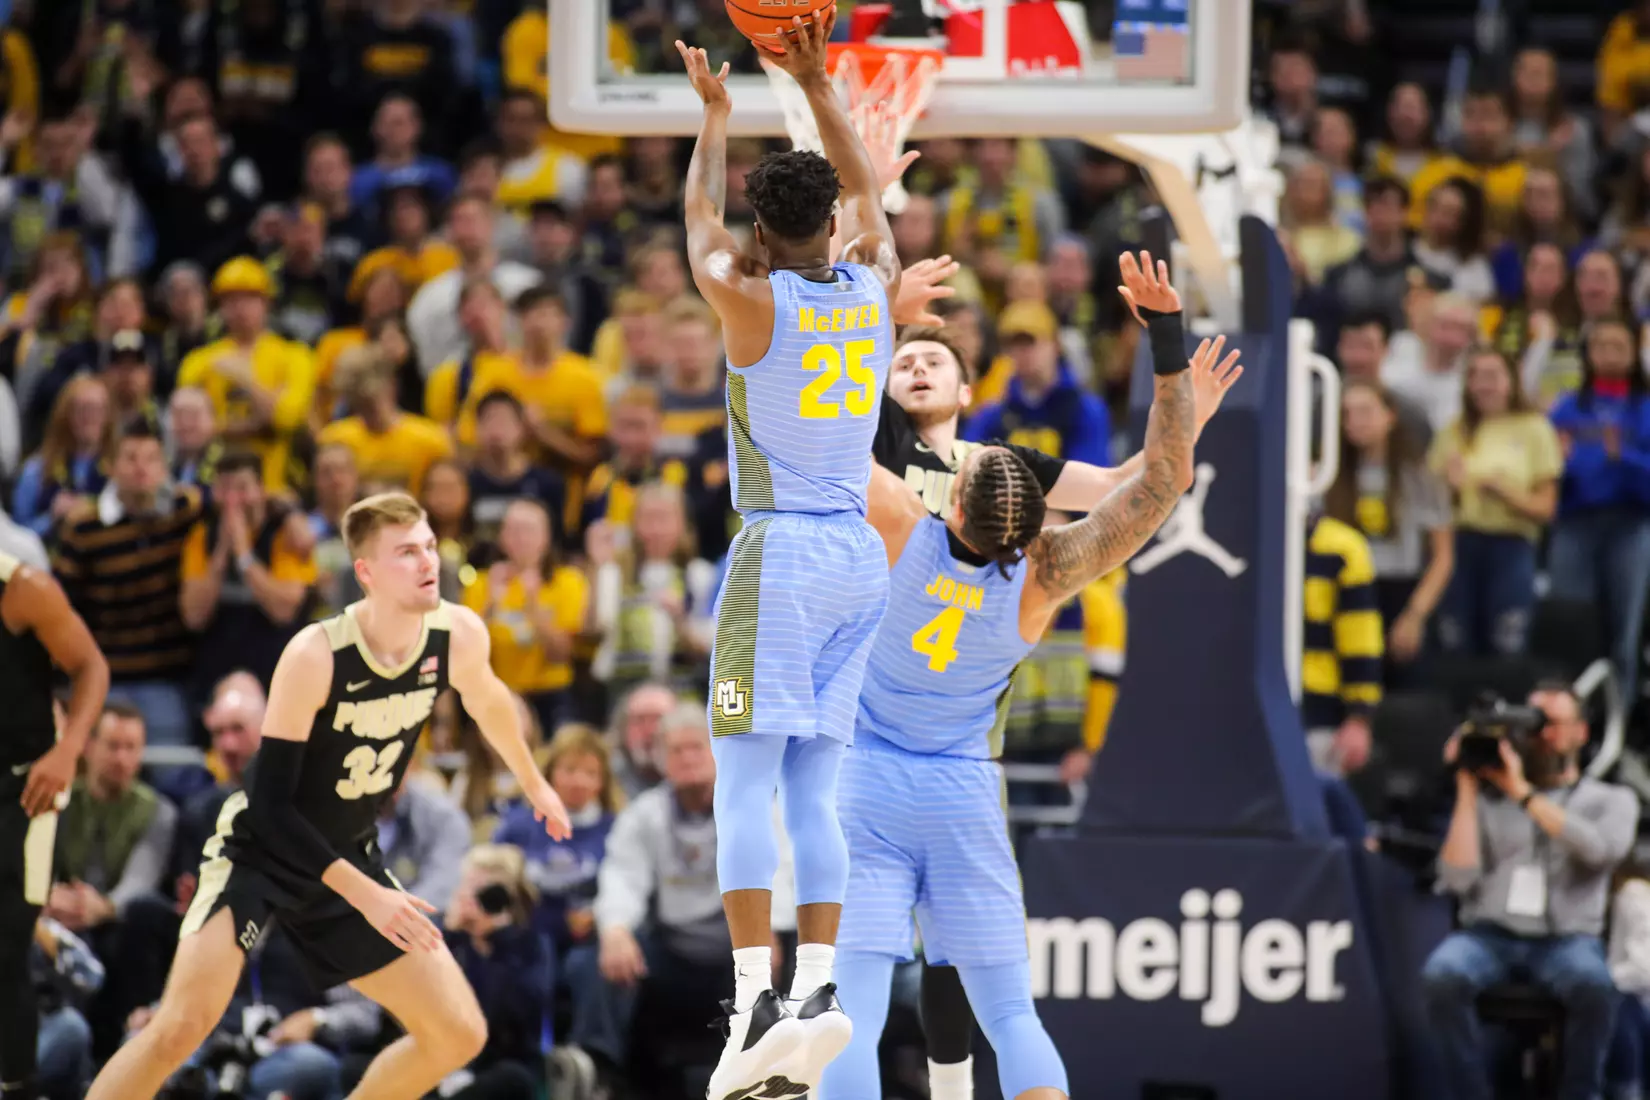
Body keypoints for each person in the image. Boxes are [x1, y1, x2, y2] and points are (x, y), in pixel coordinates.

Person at [821, 252, 1213, 1100]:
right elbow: (1158, 485)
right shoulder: (1046, 575)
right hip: (964, 790)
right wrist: (1171, 357)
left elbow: (821, 409)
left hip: (868, 780)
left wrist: (870, 303)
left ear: (950, 502)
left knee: (849, 1009)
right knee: (1015, 1018)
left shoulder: (898, 520)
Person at [81, 491, 573, 1100]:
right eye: (405, 553)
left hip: (346, 849)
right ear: (365, 573)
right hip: (261, 851)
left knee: (457, 1033)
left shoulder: (457, 632)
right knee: (180, 1026)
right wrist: (368, 894)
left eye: (427, 547)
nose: (427, 563)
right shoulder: (316, 654)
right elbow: (270, 808)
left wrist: (533, 780)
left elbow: (490, 699)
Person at [675, 17, 902, 1094]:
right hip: (861, 558)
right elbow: (868, 199)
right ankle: (817, 987)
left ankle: (750, 998)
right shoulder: (869, 283)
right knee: (818, 783)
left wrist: (715, 118)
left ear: (763, 230)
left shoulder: (747, 298)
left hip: (781, 552)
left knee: (742, 780)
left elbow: (692, 227)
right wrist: (817, 86)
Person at [1423, 683, 1639, 1100]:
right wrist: (1468, 790)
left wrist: (1523, 794)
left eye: (1552, 725)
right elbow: (1456, 879)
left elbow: (1598, 851)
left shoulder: (1612, 799)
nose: (1541, 734)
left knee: (1594, 984)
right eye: (1532, 723)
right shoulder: (1489, 798)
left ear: (1581, 733)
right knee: (1442, 975)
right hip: (1490, 935)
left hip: (1567, 939)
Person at [0, 549, 109, 1096]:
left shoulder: (23, 589)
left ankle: (19, 1086)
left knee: (4, 946)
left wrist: (69, 749)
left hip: (27, 790)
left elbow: (91, 666)